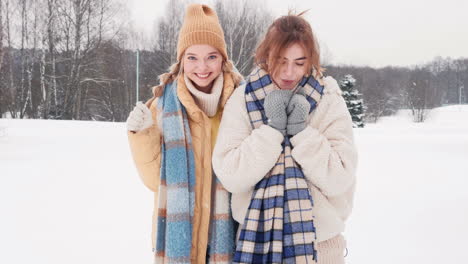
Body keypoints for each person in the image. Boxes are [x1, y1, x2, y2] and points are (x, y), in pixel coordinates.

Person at [212, 12, 358, 264]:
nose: (289, 72)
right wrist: (272, 131)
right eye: (281, 60)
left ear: (311, 60)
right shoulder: (243, 99)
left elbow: (339, 177)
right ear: (266, 55)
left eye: (299, 62)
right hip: (256, 243)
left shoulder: (328, 99)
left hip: (320, 250)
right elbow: (230, 174)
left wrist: (302, 132)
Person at [126, 4, 243, 264]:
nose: (202, 67)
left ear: (224, 58)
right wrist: (143, 135)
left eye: (211, 56)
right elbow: (154, 181)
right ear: (181, 60)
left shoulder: (242, 103)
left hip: (231, 238)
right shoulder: (162, 105)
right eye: (192, 57)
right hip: (181, 242)